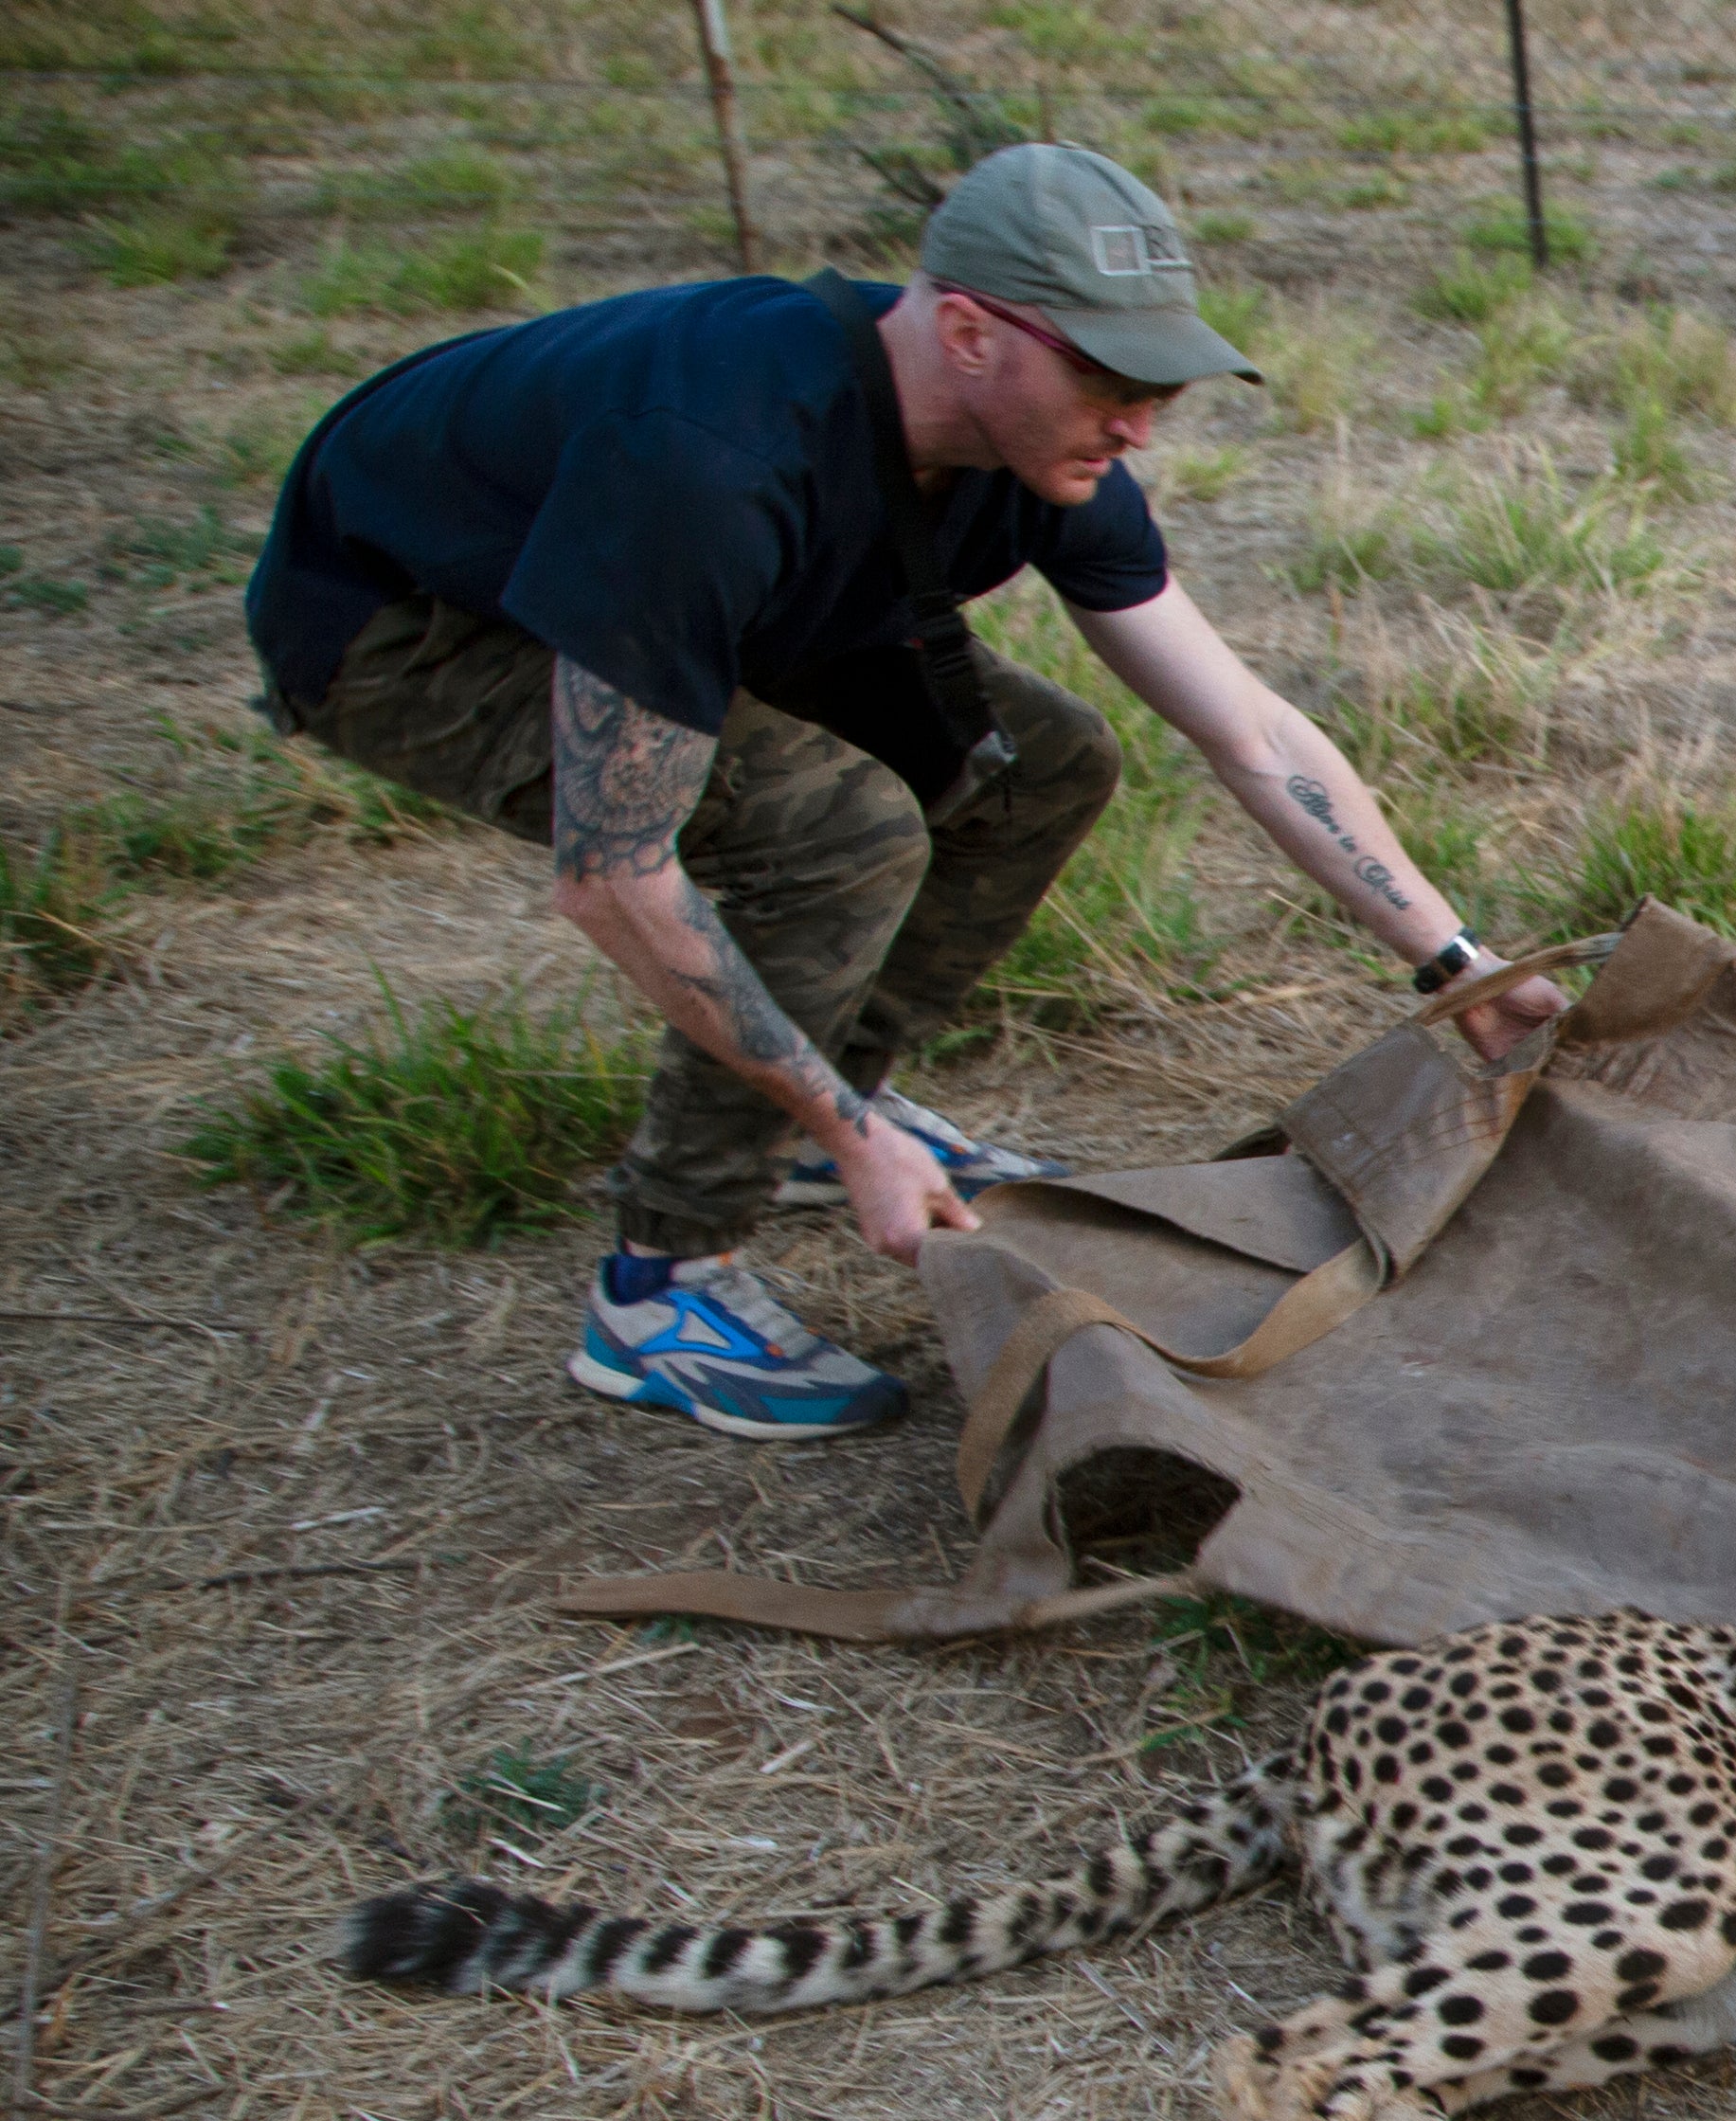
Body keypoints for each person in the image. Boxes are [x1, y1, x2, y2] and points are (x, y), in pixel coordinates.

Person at [244, 141, 1560, 1440]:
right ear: (971, 333)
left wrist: (1457, 965)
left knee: (1043, 770)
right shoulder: (714, 455)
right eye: (1108, 375)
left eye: (1160, 378)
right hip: (408, 620)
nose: (1142, 421)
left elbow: (1251, 732)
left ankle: (825, 1118)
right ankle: (662, 1284)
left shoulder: (1042, 455)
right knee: (835, 832)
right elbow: (611, 872)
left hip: (735, 589)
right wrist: (841, 1119)